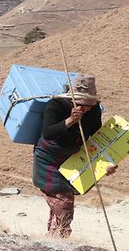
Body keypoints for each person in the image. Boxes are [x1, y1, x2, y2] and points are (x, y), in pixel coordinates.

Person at [32, 74, 117, 237]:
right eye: (81, 104)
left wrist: (107, 163)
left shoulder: (94, 109)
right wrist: (70, 120)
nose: (85, 109)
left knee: (68, 194)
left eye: (89, 105)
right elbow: (48, 133)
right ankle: (60, 239)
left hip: (73, 157)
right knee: (64, 201)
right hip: (48, 159)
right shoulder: (55, 105)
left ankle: (53, 237)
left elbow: (96, 138)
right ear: (72, 100)